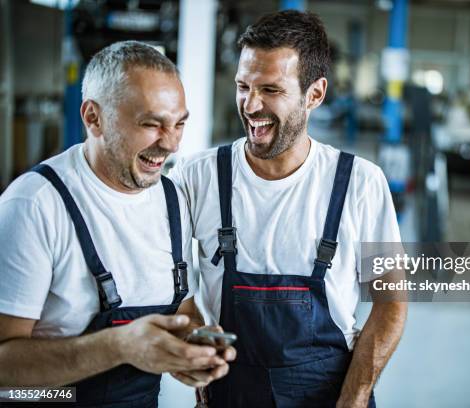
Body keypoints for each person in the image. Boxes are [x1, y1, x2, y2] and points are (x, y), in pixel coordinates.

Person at [171, 11, 407, 408]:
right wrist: (194, 341)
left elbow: (391, 303)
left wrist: (355, 398)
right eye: (242, 86)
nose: (251, 104)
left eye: (271, 90)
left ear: (314, 94)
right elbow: (172, 289)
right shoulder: (198, 179)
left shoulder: (360, 184)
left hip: (330, 394)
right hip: (229, 394)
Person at [0, 41, 234, 407]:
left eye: (179, 124)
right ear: (93, 117)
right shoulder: (34, 205)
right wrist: (118, 346)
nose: (170, 144)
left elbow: (183, 311)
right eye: (151, 124)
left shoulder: (173, 201)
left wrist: (192, 345)